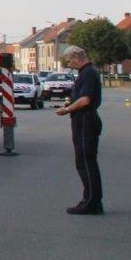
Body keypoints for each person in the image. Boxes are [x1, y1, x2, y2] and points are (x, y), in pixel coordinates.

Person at [56, 46, 103, 215]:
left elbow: (85, 100)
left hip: (85, 120)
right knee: (84, 162)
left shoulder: (88, 73)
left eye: (69, 60)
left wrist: (67, 110)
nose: (69, 64)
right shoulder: (85, 73)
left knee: (86, 162)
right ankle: (92, 199)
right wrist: (71, 104)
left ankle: (91, 202)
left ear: (76, 57)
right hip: (83, 120)